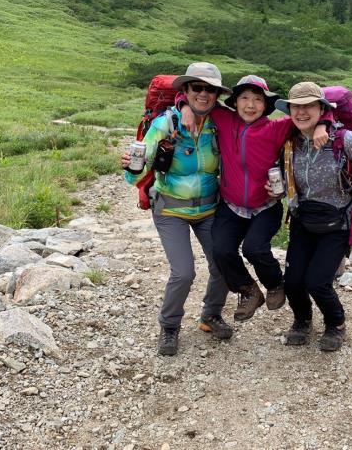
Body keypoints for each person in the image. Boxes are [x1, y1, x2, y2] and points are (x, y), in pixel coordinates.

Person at [178, 75, 329, 321]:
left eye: (257, 99)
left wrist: (323, 125)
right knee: (221, 250)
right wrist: (184, 106)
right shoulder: (223, 118)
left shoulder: (276, 128)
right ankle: (248, 290)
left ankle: (275, 284)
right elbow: (194, 98)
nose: (250, 105)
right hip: (231, 206)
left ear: (266, 104)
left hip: (265, 206)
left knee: (254, 248)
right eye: (244, 98)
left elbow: (311, 116)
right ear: (234, 102)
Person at [121, 62, 232, 357]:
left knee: (223, 264)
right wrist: (132, 168)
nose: (204, 94)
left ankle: (211, 315)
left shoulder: (219, 123)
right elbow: (135, 172)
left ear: (218, 95)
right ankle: (169, 326)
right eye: (197, 88)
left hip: (208, 209)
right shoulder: (166, 123)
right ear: (185, 90)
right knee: (183, 273)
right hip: (170, 209)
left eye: (211, 89)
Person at [274, 82, 352, 352]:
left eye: (308, 106)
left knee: (317, 282)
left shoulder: (344, 139)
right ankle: (302, 320)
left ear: (322, 109)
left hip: (337, 223)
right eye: (296, 106)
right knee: (293, 281)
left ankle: (336, 324)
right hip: (302, 220)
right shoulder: (290, 141)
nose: (301, 112)